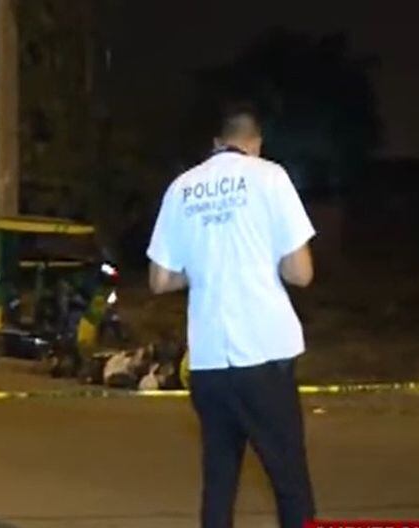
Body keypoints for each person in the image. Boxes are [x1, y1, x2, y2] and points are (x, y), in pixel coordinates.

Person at [146, 103, 317, 528]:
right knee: (289, 482)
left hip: (208, 361)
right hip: (263, 354)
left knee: (219, 482)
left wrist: (207, 267)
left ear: (216, 144)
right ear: (255, 144)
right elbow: (301, 273)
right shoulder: (270, 177)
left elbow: (160, 280)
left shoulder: (181, 188)